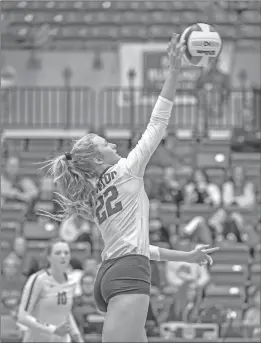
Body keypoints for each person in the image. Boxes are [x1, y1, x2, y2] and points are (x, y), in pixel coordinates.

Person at [46, 34, 218, 342]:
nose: (112, 143)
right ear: (99, 158)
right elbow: (157, 123)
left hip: (114, 272)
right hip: (128, 274)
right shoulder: (126, 170)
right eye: (105, 143)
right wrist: (175, 72)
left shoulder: (96, 188)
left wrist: (186, 257)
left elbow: (139, 246)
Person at [17, 238, 84, 342]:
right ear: (49, 257)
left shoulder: (72, 282)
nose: (63, 256)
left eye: (66, 253)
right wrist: (53, 329)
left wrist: (78, 337)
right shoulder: (38, 279)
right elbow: (22, 316)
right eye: (58, 253)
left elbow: (66, 313)